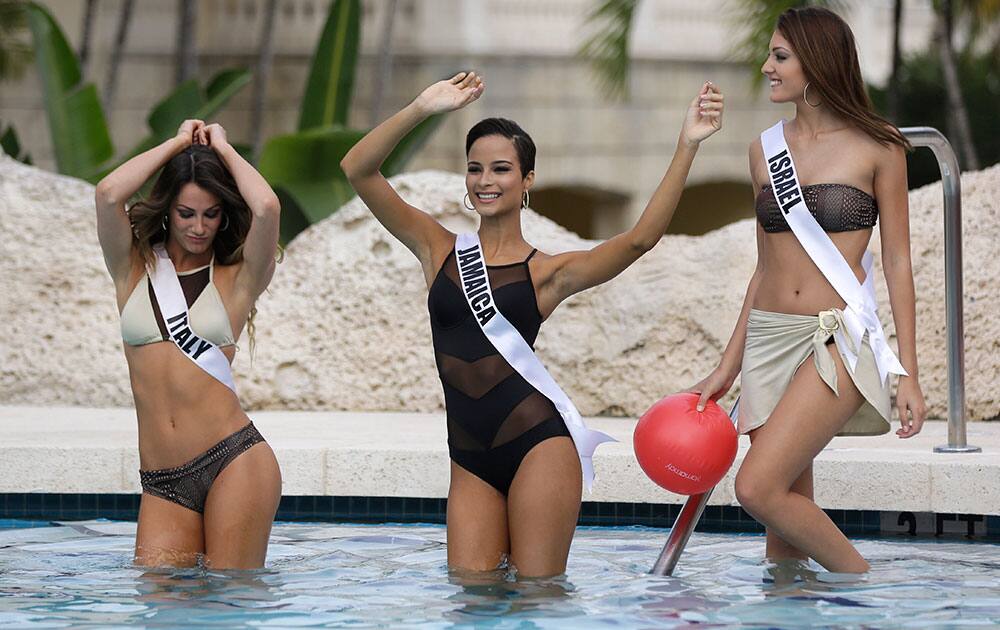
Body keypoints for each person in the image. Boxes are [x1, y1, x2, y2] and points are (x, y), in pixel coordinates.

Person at [341, 71, 724, 577]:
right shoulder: (437, 248)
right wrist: (422, 107)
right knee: (472, 594)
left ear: (527, 181)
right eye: (474, 168)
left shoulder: (548, 273)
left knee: (538, 597)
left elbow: (638, 241)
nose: (485, 180)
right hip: (469, 456)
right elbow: (359, 170)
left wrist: (687, 145)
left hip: (538, 446)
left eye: (501, 169)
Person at [688, 7, 927, 573]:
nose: (766, 66)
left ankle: (866, 588)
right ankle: (794, 610)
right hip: (769, 339)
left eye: (780, 56)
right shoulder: (762, 149)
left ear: (815, 64)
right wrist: (727, 367)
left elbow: (896, 260)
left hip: (836, 340)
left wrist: (907, 372)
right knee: (784, 530)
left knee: (757, 489)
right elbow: (763, 267)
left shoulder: (880, 146)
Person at [95, 119, 282, 569]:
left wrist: (222, 147)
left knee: (229, 603)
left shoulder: (237, 278)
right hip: (163, 480)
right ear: (167, 210)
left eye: (211, 213)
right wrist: (178, 145)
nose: (199, 227)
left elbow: (267, 207)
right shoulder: (132, 267)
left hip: (233, 461)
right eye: (186, 213)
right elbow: (107, 194)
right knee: (159, 607)